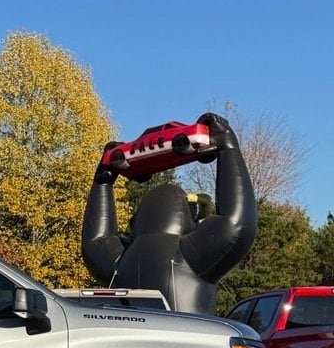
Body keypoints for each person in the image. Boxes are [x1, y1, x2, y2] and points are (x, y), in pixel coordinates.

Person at [81, 113, 257, 315]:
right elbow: (239, 222)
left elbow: (95, 241)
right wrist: (228, 148)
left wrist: (103, 182)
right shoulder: (190, 253)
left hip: (130, 344)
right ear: (192, 213)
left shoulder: (121, 260)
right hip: (188, 342)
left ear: (137, 218)